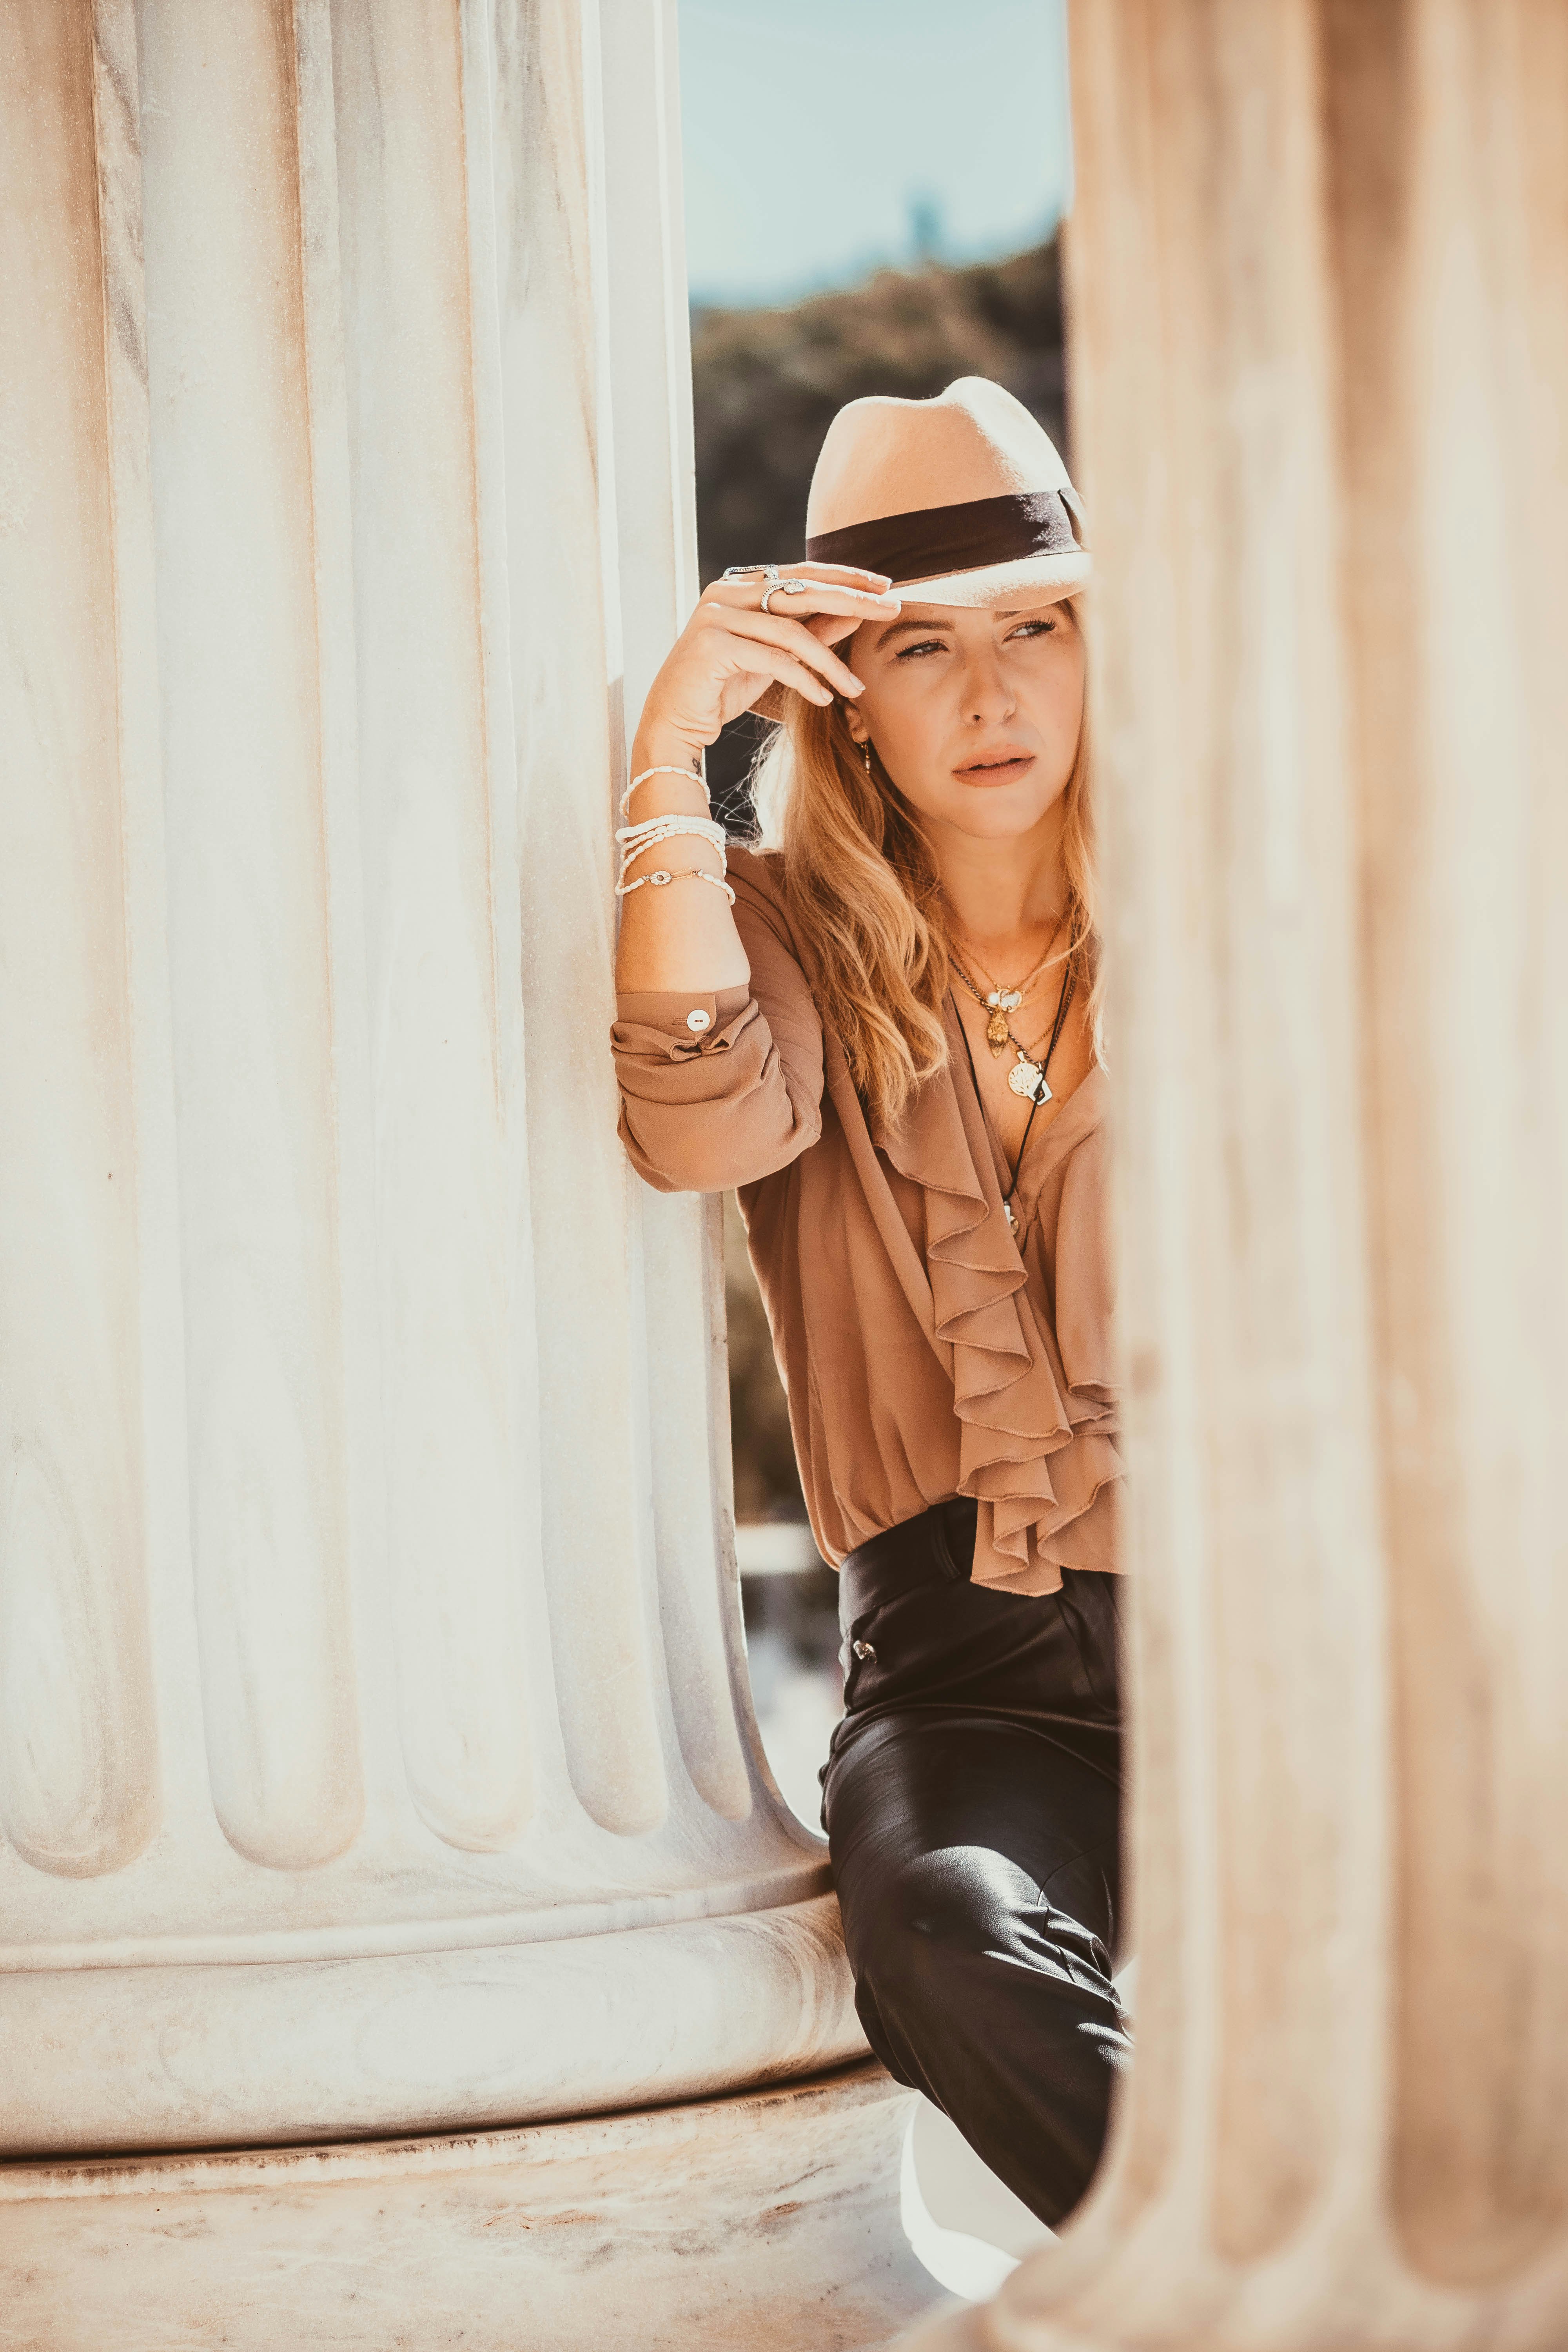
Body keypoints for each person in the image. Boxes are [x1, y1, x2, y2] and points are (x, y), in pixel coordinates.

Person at [610, 377, 1127, 2228]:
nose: (991, 698)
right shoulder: (783, 935)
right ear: (843, 686)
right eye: (921, 648)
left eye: (1037, 629)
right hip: (971, 1685)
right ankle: (1291, 2291)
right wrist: (673, 761)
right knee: (938, 1928)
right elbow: (693, 1125)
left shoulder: (1237, 909)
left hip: (1283, 1642)